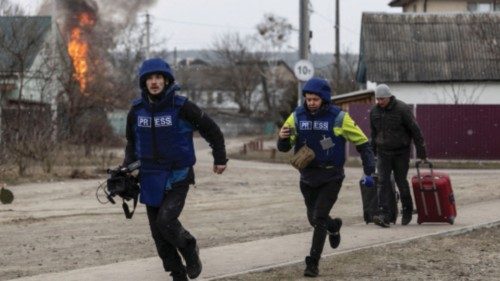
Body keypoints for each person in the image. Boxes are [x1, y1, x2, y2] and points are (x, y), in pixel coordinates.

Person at [122, 58, 228, 281]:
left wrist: (220, 157)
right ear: (144, 83)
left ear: (166, 80)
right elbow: (131, 142)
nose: (154, 82)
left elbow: (212, 130)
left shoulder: (182, 107)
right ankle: (177, 275)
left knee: (166, 221)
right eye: (149, 78)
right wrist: (127, 168)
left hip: (177, 176)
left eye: (158, 77)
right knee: (159, 237)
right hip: (149, 178)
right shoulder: (136, 111)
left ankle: (190, 248)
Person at [277, 77, 375, 278]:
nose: (311, 102)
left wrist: (369, 170)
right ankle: (334, 227)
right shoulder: (297, 116)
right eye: (308, 98)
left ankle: (312, 263)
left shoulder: (339, 117)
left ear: (324, 98)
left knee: (319, 217)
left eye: (315, 99)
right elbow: (284, 147)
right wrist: (282, 137)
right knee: (314, 220)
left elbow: (363, 143)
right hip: (307, 176)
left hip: (331, 175)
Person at [370, 84, 427, 228]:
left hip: (401, 152)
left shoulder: (402, 109)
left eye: (382, 99)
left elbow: (415, 130)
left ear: (389, 97)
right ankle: (384, 214)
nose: (380, 102)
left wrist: (422, 152)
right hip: (383, 152)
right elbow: (373, 134)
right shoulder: (374, 112)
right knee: (382, 182)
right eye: (377, 99)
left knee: (401, 181)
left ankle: (407, 209)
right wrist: (372, 153)